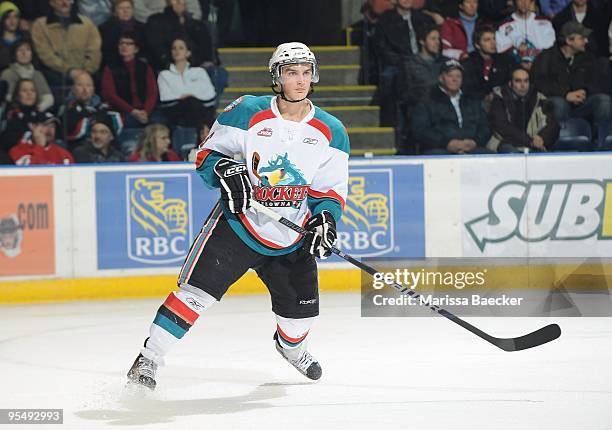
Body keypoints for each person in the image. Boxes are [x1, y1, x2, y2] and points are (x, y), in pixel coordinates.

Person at [126, 42, 349, 390]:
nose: (301, 80)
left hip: (291, 236)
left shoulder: (331, 130)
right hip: (237, 225)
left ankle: (290, 348)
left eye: (306, 72)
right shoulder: (246, 111)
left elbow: (329, 191)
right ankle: (149, 358)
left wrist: (326, 219)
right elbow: (206, 158)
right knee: (194, 295)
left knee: (299, 320)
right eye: (292, 73)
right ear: (277, 78)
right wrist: (226, 170)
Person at [532, 22, 611, 129]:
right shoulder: (545, 58)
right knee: (560, 104)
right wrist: (565, 94)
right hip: (556, 102)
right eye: (582, 38)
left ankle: (600, 141)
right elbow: (539, 83)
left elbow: (598, 82)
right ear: (569, 40)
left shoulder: (588, 58)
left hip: (582, 104)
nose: (586, 41)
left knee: (604, 101)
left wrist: (585, 91)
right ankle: (559, 140)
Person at [411, 59, 492, 154]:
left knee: (491, 157)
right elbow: (420, 130)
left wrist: (474, 142)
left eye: (458, 76)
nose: (455, 79)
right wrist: (446, 143)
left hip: (471, 147)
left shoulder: (472, 100)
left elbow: (485, 127)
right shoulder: (428, 101)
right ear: (441, 78)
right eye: (450, 76)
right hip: (440, 148)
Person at [375, 0, 435, 125]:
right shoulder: (385, 20)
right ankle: (394, 123)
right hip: (397, 63)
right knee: (391, 79)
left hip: (423, 61)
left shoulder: (423, 18)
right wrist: (402, 61)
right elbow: (382, 48)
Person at [488, 67, 560, 152]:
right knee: (511, 152)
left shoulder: (538, 98)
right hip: (507, 143)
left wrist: (541, 138)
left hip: (534, 144)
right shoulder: (499, 99)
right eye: (518, 81)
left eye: (526, 81)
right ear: (510, 83)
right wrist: (530, 141)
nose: (523, 85)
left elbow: (553, 124)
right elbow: (502, 127)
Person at [31, 0, 102, 85]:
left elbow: (95, 51)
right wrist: (68, 70)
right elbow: (45, 54)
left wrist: (86, 71)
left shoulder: (87, 24)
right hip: (55, 77)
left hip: (87, 77)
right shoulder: (40, 25)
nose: (64, 2)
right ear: (51, 2)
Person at [101, 32, 158, 128]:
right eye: (121, 43)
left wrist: (145, 112)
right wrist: (132, 111)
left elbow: (152, 93)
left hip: (144, 110)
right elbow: (110, 95)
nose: (124, 46)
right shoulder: (110, 68)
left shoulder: (144, 67)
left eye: (128, 43)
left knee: (160, 122)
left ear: (136, 49)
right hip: (123, 110)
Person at [144, 0, 213, 71]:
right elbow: (157, 49)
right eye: (175, 0)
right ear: (168, 2)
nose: (179, 2)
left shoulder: (197, 25)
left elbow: (204, 49)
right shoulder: (156, 21)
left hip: (196, 67)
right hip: (167, 67)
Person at [61, 70, 122, 150]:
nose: (85, 89)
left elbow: (114, 138)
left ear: (93, 89)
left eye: (88, 85)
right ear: (73, 89)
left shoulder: (104, 109)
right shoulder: (66, 108)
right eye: (80, 85)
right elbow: (67, 131)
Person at [461, 26, 514, 104]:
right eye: (487, 40)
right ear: (477, 45)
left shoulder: (505, 60)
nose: (493, 43)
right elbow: (467, 89)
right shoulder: (468, 63)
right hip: (476, 105)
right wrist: (485, 97)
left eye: (494, 39)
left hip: (501, 103)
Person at [1, 40, 53, 111]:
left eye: (27, 50)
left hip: (37, 111)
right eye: (20, 50)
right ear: (14, 54)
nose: (24, 53)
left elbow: (48, 97)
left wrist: (37, 109)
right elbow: (7, 97)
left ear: (32, 54)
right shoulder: (7, 73)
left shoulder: (38, 74)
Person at [9, 111, 73, 164]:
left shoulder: (63, 154)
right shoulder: (17, 151)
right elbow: (29, 173)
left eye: (52, 126)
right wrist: (40, 146)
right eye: (45, 125)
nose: (49, 130)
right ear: (34, 127)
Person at [98, 0, 147, 66]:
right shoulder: (104, 28)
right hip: (113, 65)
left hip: (138, 65)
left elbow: (145, 50)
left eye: (128, 8)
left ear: (133, 10)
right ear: (115, 11)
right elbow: (105, 51)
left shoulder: (142, 27)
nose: (125, 11)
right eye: (121, 8)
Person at [1, 78, 43, 152]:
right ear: (17, 95)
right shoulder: (10, 115)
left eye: (32, 90)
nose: (29, 93)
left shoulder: (42, 116)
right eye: (24, 90)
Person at [0, 1, 27, 71]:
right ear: (2, 20)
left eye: (15, 17)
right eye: (8, 17)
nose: (12, 21)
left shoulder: (25, 39)